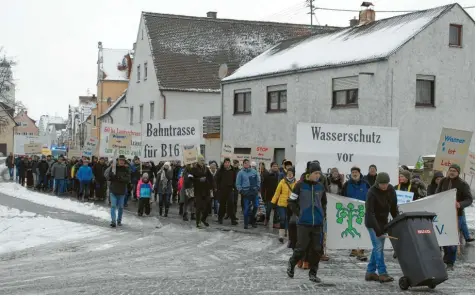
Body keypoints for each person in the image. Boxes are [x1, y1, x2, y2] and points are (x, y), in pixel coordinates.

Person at [286, 162, 326, 283]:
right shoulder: (300, 185)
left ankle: (313, 273)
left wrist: (322, 214)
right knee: (301, 248)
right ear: (309, 173)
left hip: (317, 224)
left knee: (317, 249)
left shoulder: (321, 187)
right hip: (303, 223)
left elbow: (324, 203)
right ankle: (292, 263)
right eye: (315, 173)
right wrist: (300, 213)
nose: (318, 176)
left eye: (319, 173)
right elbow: (291, 201)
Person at [436, 164, 474, 269]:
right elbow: (437, 194)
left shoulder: (463, 184)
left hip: (457, 215)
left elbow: (469, 199)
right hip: (443, 214)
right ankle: (447, 258)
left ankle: (450, 263)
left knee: (452, 240)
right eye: (450, 170)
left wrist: (460, 204)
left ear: (458, 172)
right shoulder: (443, 181)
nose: (452, 172)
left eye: (454, 171)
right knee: (444, 237)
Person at [364, 172, 398, 283]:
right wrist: (377, 229)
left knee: (377, 247)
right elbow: (370, 212)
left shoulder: (391, 190)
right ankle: (382, 273)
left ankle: (370, 272)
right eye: (382, 184)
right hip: (372, 222)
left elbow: (393, 208)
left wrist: (397, 221)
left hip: (383, 222)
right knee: (378, 247)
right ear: (377, 183)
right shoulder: (371, 193)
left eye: (386, 184)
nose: (384, 186)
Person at [342, 166, 371, 261]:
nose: (354, 174)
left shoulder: (366, 184)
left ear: (359, 173)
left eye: (356, 172)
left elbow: (370, 196)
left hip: (363, 211)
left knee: (362, 229)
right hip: (351, 211)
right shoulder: (346, 184)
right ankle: (354, 249)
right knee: (352, 228)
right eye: (353, 172)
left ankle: (361, 249)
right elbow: (342, 197)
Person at [272, 166, 296, 243]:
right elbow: (277, 192)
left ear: (293, 174)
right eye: (288, 173)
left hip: (291, 204)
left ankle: (289, 235)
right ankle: (281, 235)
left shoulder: (296, 183)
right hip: (282, 203)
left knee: (289, 220)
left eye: (291, 173)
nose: (289, 175)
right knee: (282, 218)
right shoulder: (282, 181)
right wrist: (273, 202)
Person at [189, 155, 214, 228]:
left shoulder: (206, 168)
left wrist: (214, 187)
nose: (203, 162)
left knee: (208, 206)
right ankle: (198, 222)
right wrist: (198, 180)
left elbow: (211, 178)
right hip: (198, 190)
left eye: (203, 160)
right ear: (198, 161)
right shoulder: (194, 168)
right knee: (199, 207)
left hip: (206, 190)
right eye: (201, 160)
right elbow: (190, 177)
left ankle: (203, 219)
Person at [106, 155, 131, 228]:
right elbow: (109, 177)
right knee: (113, 206)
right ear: (118, 161)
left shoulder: (127, 169)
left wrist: (119, 178)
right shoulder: (113, 168)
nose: (121, 161)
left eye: (123, 160)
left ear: (124, 161)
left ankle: (119, 220)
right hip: (113, 190)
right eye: (120, 160)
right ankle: (113, 221)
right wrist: (112, 175)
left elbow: (128, 179)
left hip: (122, 192)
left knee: (120, 207)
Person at [236, 159, 261, 229]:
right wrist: (241, 191)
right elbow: (238, 184)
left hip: (254, 192)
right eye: (245, 163)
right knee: (246, 209)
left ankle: (252, 221)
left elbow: (258, 180)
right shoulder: (240, 173)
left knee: (256, 206)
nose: (247, 164)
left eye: (248, 163)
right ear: (243, 164)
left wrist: (257, 188)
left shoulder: (254, 171)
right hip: (246, 192)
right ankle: (246, 223)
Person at [216, 158, 238, 225]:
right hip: (222, 190)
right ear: (224, 163)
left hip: (230, 190)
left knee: (231, 205)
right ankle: (220, 218)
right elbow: (217, 180)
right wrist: (219, 188)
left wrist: (234, 187)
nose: (227, 164)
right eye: (226, 162)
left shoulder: (233, 170)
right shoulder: (220, 170)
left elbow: (234, 179)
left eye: (228, 162)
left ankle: (233, 220)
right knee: (222, 205)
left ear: (230, 163)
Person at [262, 162, 280, 227]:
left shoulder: (280, 175)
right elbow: (263, 187)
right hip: (269, 196)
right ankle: (266, 219)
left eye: (276, 166)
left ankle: (275, 222)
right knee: (268, 209)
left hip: (278, 196)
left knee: (277, 210)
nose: (275, 167)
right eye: (274, 166)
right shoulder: (267, 175)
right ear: (271, 167)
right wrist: (263, 196)